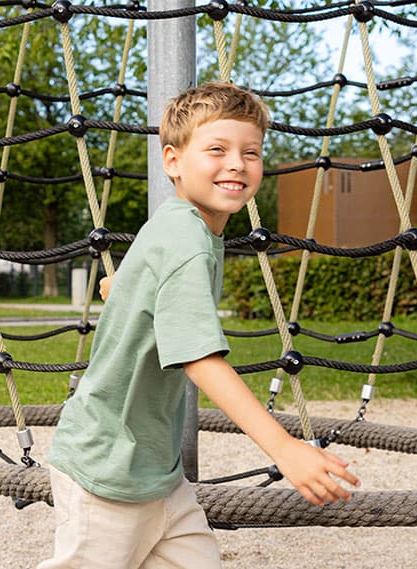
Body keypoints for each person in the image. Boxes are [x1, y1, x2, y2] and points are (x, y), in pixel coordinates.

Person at [40, 82, 359, 568]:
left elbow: (143, 287)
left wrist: (119, 293)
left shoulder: (178, 225)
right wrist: (284, 448)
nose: (236, 163)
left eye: (250, 152)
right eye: (217, 149)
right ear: (172, 161)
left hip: (157, 474)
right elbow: (198, 357)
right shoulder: (187, 238)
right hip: (108, 470)